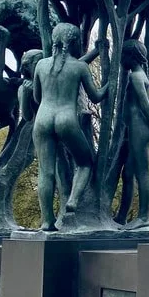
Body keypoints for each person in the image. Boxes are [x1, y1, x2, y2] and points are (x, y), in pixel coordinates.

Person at [32, 23, 107, 230]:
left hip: (43, 119)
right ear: (73, 43)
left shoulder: (41, 65)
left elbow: (37, 97)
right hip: (66, 119)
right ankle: (72, 200)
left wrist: (95, 51)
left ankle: (47, 221)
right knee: (85, 163)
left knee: (45, 172)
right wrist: (111, 84)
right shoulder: (79, 67)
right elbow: (96, 96)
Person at [115, 41, 149, 228]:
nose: (121, 60)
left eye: (123, 56)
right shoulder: (143, 76)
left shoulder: (136, 77)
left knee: (142, 172)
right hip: (139, 129)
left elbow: (145, 104)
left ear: (131, 56)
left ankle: (143, 217)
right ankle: (121, 217)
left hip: (140, 129)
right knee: (128, 174)